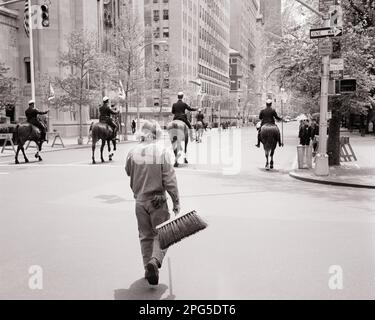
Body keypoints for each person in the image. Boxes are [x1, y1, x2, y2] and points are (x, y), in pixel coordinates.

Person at [125, 120, 180, 286]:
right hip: (158, 200)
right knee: (163, 234)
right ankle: (154, 262)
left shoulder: (132, 152)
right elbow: (169, 179)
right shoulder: (161, 151)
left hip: (139, 201)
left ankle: (147, 268)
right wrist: (176, 201)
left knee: (145, 236)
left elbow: (128, 171)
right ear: (155, 134)